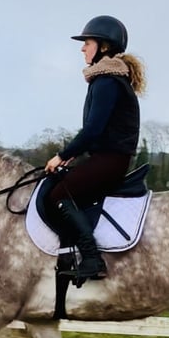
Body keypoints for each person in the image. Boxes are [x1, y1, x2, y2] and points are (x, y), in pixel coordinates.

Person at [45, 14, 146, 281]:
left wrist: (62, 155)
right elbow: (96, 132)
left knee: (58, 195)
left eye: (86, 42)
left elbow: (93, 130)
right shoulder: (106, 80)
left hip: (110, 160)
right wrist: (73, 156)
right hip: (106, 157)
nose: (82, 48)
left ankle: (92, 259)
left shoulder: (107, 82)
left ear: (103, 46)